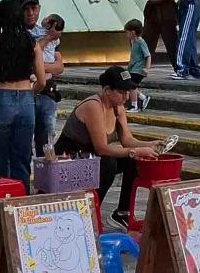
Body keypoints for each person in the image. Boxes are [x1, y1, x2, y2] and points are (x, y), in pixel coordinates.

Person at [55, 67, 161, 221]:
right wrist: (135, 151)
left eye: (127, 92)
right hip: (69, 159)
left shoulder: (118, 107)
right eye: (121, 92)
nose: (125, 97)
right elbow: (101, 148)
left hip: (91, 158)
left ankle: (122, 212)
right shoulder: (94, 106)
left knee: (133, 161)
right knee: (108, 164)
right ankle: (90, 213)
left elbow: (127, 140)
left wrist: (150, 145)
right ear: (107, 90)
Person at [0, 0, 44, 189]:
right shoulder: (33, 44)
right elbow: (41, 80)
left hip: (2, 97)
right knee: (22, 156)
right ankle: (19, 199)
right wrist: (30, 94)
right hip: (25, 99)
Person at [34, 15, 66, 155]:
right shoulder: (37, 34)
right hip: (31, 90)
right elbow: (33, 54)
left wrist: (39, 67)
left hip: (48, 92)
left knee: (48, 130)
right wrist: (47, 38)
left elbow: (59, 67)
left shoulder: (56, 42)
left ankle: (45, 160)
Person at [124, 19, 151, 109]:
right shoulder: (133, 41)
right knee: (129, 84)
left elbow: (148, 56)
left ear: (133, 32)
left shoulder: (141, 42)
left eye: (127, 33)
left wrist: (147, 69)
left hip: (139, 69)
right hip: (132, 68)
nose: (126, 35)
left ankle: (134, 105)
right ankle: (143, 98)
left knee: (132, 86)